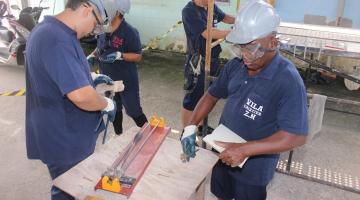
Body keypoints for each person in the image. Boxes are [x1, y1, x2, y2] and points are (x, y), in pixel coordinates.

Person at [181, 1, 308, 199]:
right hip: (223, 154)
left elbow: (295, 136)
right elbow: (211, 95)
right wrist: (190, 127)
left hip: (253, 171)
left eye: (252, 49)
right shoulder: (236, 65)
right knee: (220, 194)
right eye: (240, 48)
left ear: (273, 42)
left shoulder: (287, 80)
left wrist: (246, 149)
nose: (246, 57)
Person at [25, 0, 120, 199]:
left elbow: (57, 73)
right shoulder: (56, 38)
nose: (92, 31)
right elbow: (81, 96)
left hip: (64, 131)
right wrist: (106, 103)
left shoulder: (52, 30)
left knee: (69, 188)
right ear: (87, 10)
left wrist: (89, 78)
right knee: (68, 191)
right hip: (65, 137)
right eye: (95, 25)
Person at [87, 0, 148, 135]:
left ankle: (149, 135)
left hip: (126, 80)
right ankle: (118, 135)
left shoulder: (130, 32)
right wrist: (92, 55)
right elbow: (100, 48)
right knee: (115, 108)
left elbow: (138, 56)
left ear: (118, 12)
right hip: (108, 79)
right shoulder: (104, 29)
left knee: (134, 111)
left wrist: (121, 55)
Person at [181, 0, 235, 129]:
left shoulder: (210, 5)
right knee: (192, 99)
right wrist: (233, 33)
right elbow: (207, 33)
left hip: (213, 57)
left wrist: (242, 21)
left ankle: (199, 126)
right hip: (198, 61)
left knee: (206, 95)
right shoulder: (189, 11)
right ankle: (186, 131)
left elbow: (225, 17)